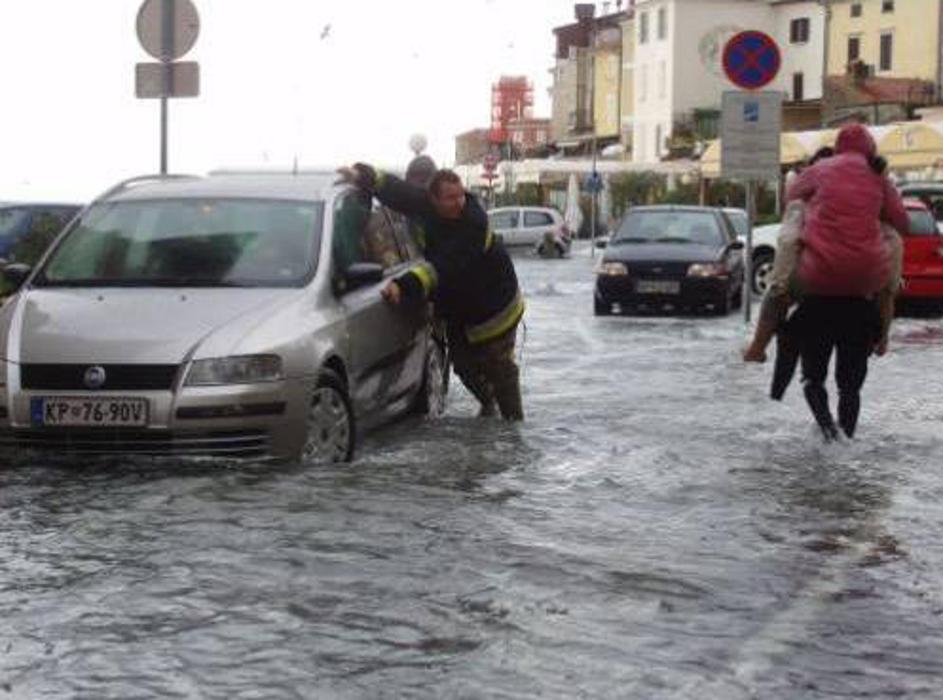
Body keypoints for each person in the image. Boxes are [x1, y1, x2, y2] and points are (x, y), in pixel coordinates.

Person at [336, 163, 525, 421]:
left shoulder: (473, 224)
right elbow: (398, 191)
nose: (458, 203)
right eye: (450, 198)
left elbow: (443, 267)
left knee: (499, 367)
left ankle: (513, 427)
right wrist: (364, 176)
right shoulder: (426, 205)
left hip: (496, 307)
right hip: (461, 308)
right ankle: (488, 405)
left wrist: (403, 285)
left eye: (460, 195)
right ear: (433, 198)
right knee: (463, 367)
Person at [763, 124, 909, 439]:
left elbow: (791, 196)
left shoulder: (820, 171)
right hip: (862, 294)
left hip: (817, 291)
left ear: (839, 147)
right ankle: (848, 438)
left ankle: (828, 432)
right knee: (851, 385)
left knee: (812, 377)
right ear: (870, 149)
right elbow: (902, 221)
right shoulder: (879, 178)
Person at [743, 134, 906, 364]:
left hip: (817, 272)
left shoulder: (812, 187)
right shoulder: (874, 177)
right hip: (864, 274)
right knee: (889, 284)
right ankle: (883, 339)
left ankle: (757, 347)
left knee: (779, 285)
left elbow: (790, 230)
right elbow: (898, 218)